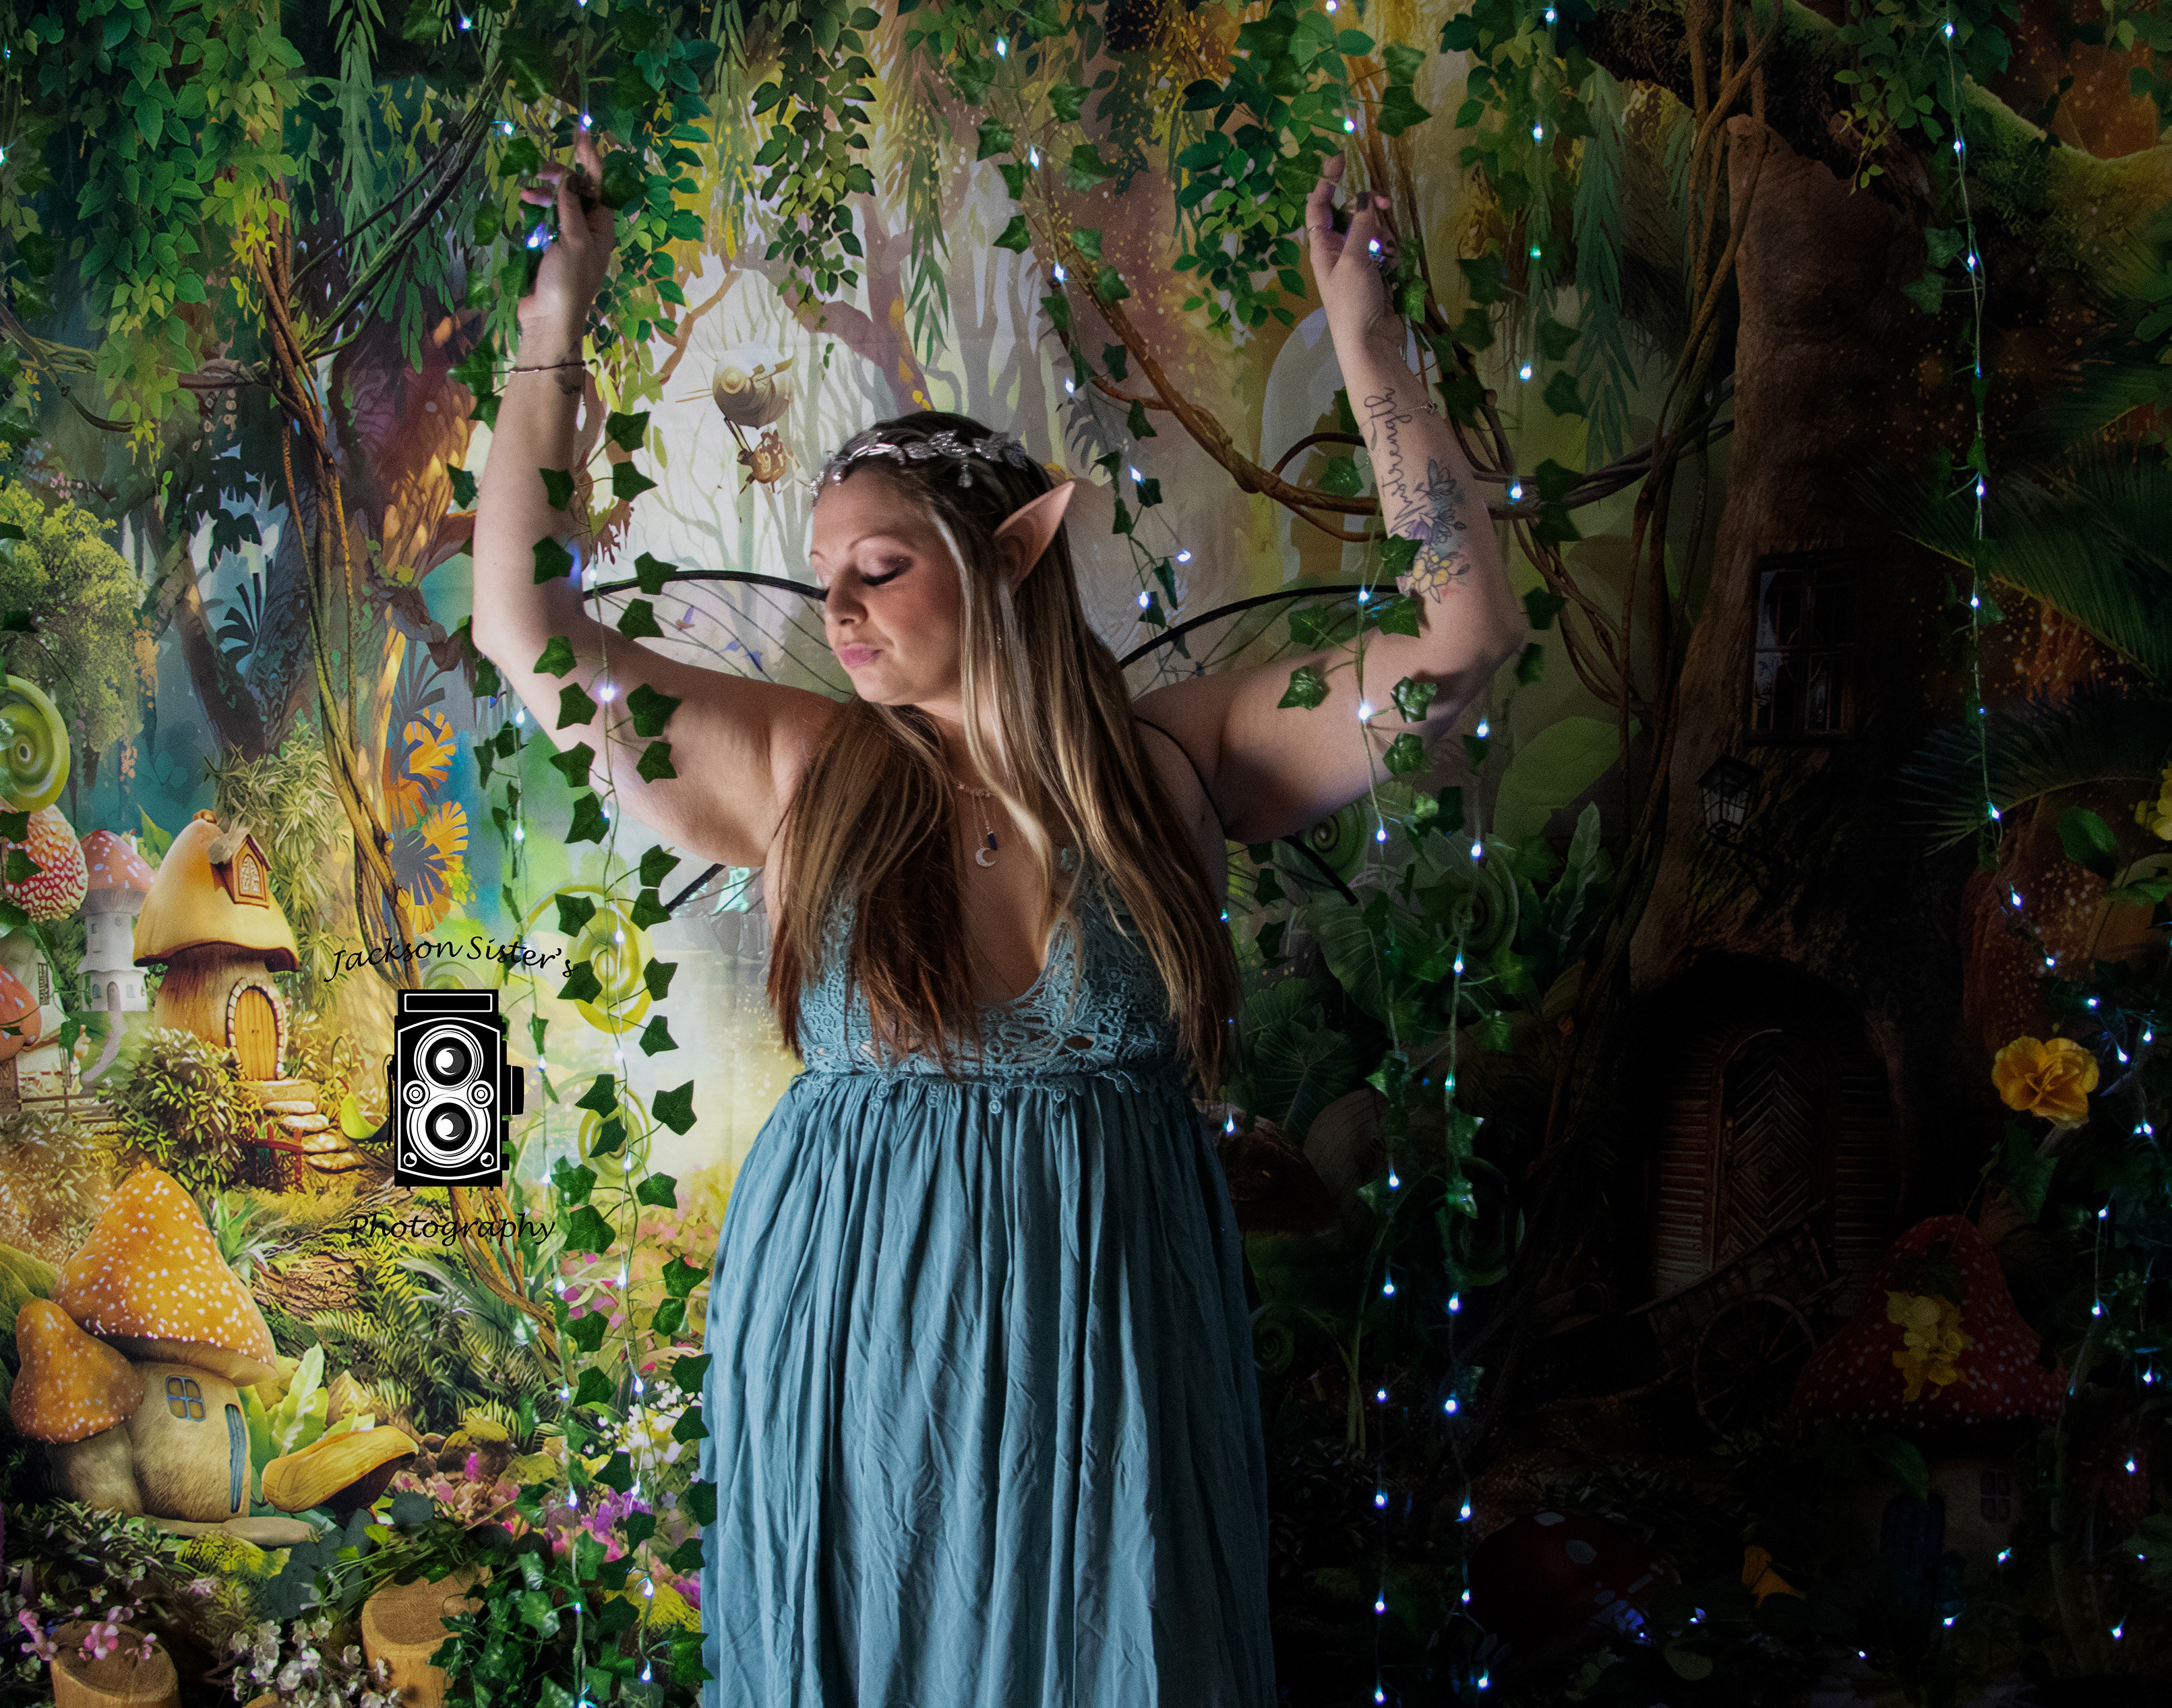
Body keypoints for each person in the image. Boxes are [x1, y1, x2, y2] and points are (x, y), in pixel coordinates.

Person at [473, 128, 1528, 1708]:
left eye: (879, 567)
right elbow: (527, 626)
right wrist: (557, 316)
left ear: (1013, 553)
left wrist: (1367, 344)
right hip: (854, 1353)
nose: (838, 607)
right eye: (823, 570)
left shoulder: (1177, 758)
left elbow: (1462, 643)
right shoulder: (799, 765)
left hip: (1111, 1359)